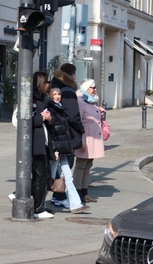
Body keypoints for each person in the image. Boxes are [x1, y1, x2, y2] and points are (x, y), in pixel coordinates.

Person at [45, 87, 90, 214]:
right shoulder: (51, 109)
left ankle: (75, 205)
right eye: (54, 94)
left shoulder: (61, 107)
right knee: (50, 178)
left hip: (63, 148)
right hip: (57, 149)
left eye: (58, 94)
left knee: (67, 177)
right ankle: (37, 204)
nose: (57, 96)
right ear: (49, 95)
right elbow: (52, 132)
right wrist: (54, 150)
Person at [49, 63, 85, 207]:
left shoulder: (54, 87)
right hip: (65, 135)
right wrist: (81, 130)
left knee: (59, 170)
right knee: (61, 169)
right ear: (73, 75)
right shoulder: (68, 91)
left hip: (57, 134)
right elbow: (73, 115)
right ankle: (58, 196)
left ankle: (62, 197)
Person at [74, 79, 106, 204]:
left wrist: (100, 113)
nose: (95, 89)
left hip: (94, 137)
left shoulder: (92, 101)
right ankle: (77, 191)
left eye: (95, 87)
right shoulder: (81, 101)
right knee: (81, 165)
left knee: (88, 164)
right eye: (93, 87)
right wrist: (81, 141)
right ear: (86, 88)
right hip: (86, 138)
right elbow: (78, 121)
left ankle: (84, 190)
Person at [29, 72, 55, 219]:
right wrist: (41, 118)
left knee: (44, 175)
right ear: (40, 83)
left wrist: (49, 118)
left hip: (43, 142)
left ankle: (38, 206)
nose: (48, 85)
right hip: (34, 143)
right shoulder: (31, 98)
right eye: (47, 82)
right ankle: (37, 208)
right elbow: (25, 121)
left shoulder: (44, 99)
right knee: (40, 176)